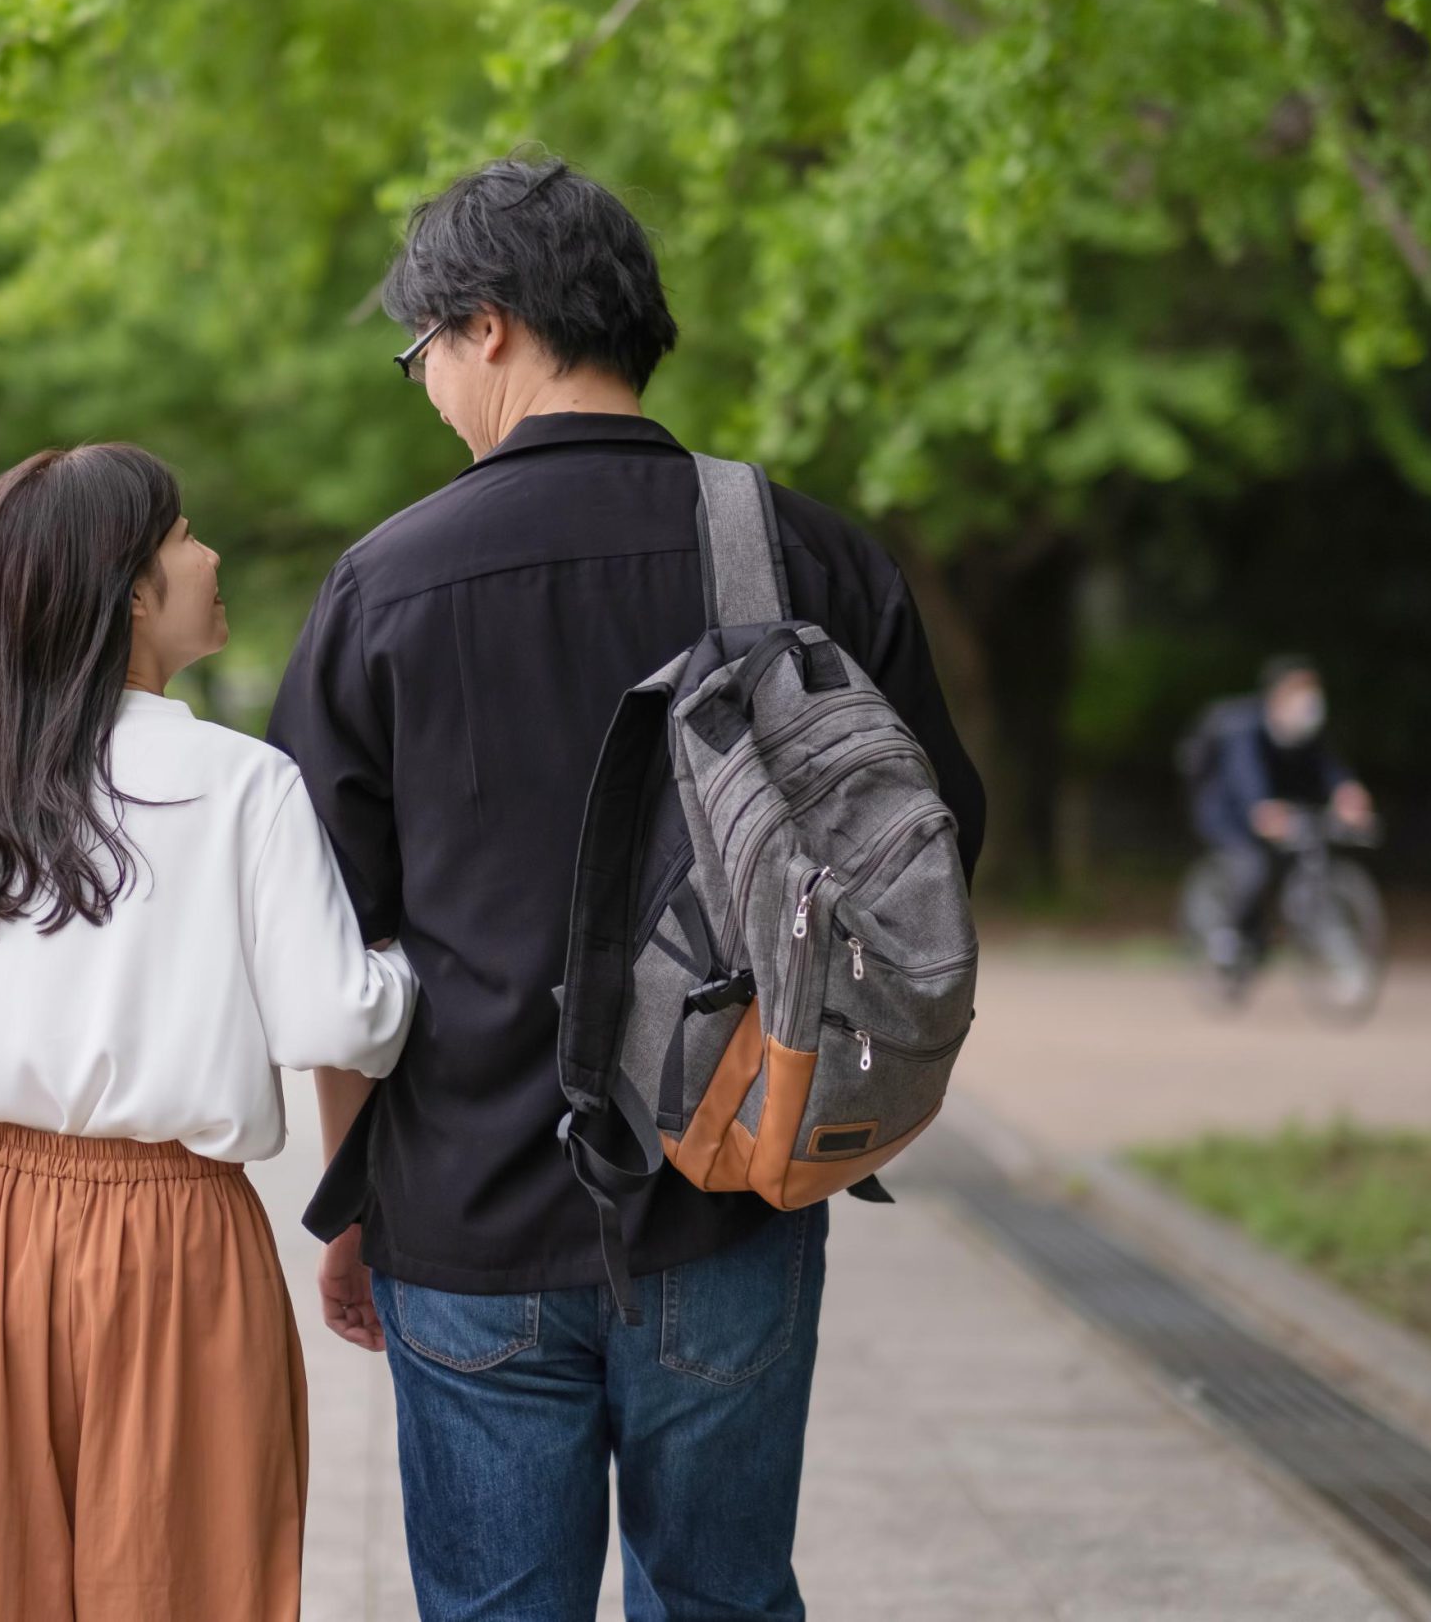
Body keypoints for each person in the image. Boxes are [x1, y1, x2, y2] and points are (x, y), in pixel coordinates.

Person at [266, 157, 984, 1621]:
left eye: (421, 352)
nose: (429, 386)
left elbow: (325, 943)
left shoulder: (385, 585)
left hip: (464, 1205)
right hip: (736, 1180)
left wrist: (355, 1198)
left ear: (487, 327)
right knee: (720, 1597)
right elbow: (940, 842)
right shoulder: (805, 554)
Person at [0, 443, 418, 1622]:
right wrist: (410, 969)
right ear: (128, 589)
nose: (209, 556)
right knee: (190, 1574)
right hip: (178, 1228)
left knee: (3, 1584)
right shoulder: (245, 784)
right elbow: (332, 1017)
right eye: (184, 536)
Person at [1184, 656, 1375, 982]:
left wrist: (1347, 793)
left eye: (1311, 689)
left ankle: (1328, 944)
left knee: (1306, 859)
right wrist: (1261, 807)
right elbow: (1244, 775)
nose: (1309, 700)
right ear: (1275, 695)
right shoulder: (1243, 729)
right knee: (1250, 867)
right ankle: (1225, 937)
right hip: (1227, 813)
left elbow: (1328, 769)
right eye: (1298, 690)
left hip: (1281, 811)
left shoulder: (1306, 735)